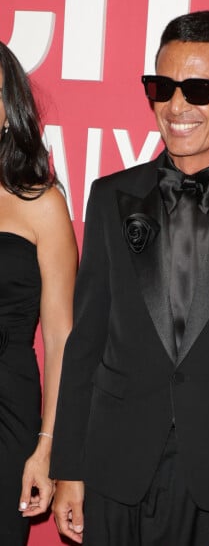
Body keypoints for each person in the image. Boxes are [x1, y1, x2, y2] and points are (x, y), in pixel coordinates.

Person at [50, 10, 209, 546]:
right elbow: (86, 339)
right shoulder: (110, 195)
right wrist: (68, 464)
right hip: (114, 469)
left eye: (199, 89)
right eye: (162, 87)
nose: (176, 106)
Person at [0, 41, 77, 545]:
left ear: (9, 110)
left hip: (6, 407)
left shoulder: (41, 204)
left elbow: (60, 336)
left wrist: (48, 447)